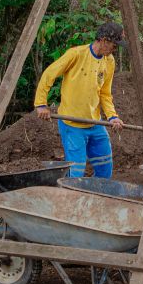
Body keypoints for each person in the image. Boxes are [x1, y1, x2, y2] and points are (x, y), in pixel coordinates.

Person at [34, 21, 125, 177]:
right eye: (114, 45)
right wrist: (41, 104)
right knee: (75, 174)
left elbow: (105, 93)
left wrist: (112, 116)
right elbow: (49, 74)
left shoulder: (109, 61)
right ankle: (71, 199)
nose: (114, 50)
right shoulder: (76, 54)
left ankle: (96, 199)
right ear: (104, 40)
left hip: (95, 123)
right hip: (72, 125)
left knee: (105, 169)